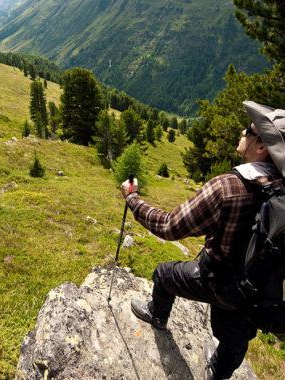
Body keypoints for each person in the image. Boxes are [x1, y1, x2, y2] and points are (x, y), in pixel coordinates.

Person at [121, 101, 285, 380]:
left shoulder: (228, 187)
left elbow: (171, 226)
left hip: (216, 279)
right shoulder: (281, 189)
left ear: (261, 147)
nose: (242, 133)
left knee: (163, 274)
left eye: (248, 131)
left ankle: (157, 315)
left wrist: (133, 199)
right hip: (257, 293)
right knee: (235, 339)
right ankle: (216, 373)